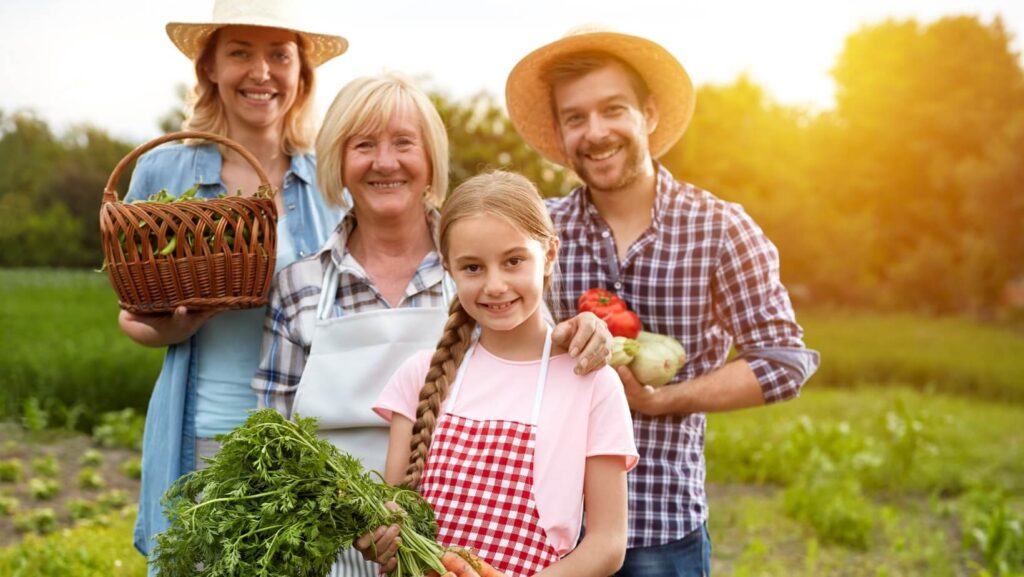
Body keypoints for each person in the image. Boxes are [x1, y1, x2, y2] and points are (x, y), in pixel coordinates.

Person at [251, 75, 614, 577]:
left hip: (446, 550)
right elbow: (274, 438)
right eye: (363, 145)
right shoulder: (301, 285)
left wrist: (590, 333)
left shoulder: (478, 241)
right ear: (337, 160)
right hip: (327, 546)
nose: (385, 161)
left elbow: (540, 363)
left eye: (404, 142)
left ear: (431, 159)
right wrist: (352, 519)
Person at [504, 28, 821, 576]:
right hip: (545, 529)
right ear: (559, 132)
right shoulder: (537, 231)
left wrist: (660, 401)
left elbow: (785, 363)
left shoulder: (719, 229)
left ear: (648, 114)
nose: (596, 132)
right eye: (576, 118)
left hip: (659, 529)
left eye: (612, 109)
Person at [117, 0, 347, 569]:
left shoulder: (329, 179)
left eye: (279, 55)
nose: (261, 72)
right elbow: (132, 315)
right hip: (202, 433)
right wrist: (178, 325)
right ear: (211, 69)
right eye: (240, 52)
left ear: (301, 73)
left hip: (306, 442)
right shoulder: (162, 172)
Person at [368, 170, 637, 577]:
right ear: (449, 270)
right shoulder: (420, 374)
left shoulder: (591, 382)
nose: (495, 285)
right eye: (473, 268)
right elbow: (389, 517)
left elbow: (607, 543)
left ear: (548, 254)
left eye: (513, 261)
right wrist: (379, 535)